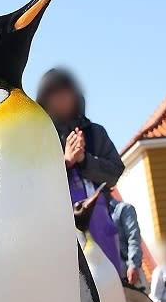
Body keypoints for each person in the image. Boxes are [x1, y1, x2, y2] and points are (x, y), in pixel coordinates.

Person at [37, 68, 125, 272]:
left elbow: (115, 172)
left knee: (107, 287)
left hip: (100, 226)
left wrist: (85, 160)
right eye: (53, 94)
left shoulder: (95, 133)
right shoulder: (39, 136)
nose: (60, 99)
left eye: (64, 92)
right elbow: (32, 182)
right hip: (57, 227)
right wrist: (66, 161)